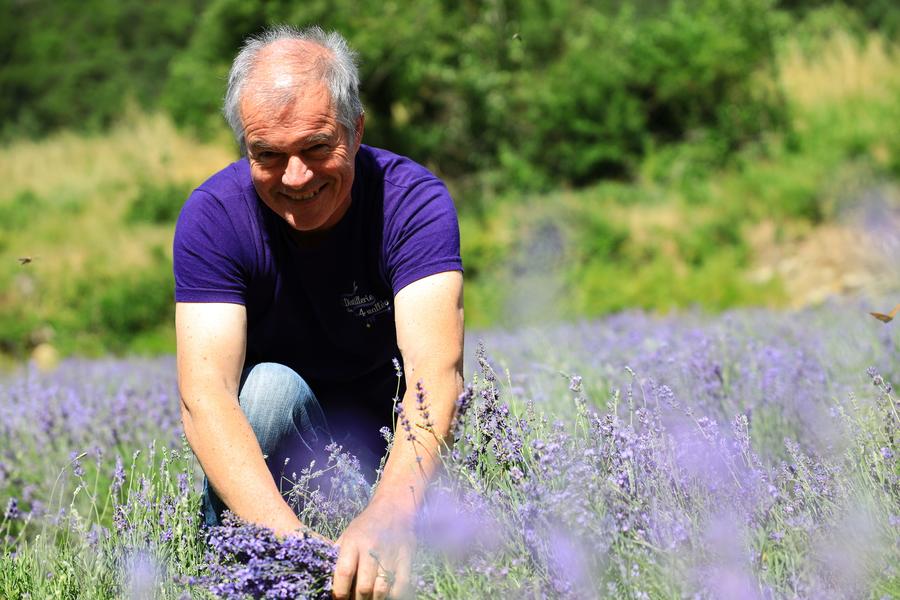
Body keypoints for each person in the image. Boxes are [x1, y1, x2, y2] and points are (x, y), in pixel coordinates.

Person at [172, 25, 464, 600]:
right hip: (269, 478)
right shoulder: (213, 218)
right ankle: (234, 576)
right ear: (244, 149)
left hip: (386, 465)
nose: (296, 178)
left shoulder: (412, 203)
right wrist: (295, 551)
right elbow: (204, 398)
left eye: (315, 147)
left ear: (356, 130)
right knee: (268, 391)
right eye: (269, 156)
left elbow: (436, 377)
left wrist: (389, 512)